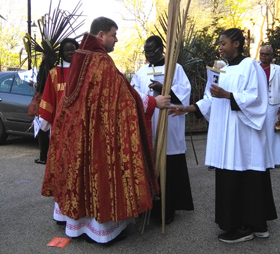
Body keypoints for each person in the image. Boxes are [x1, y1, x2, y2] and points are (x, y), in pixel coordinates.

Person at [41, 17, 170, 244]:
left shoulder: (81, 58)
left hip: (77, 133)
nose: (116, 40)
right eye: (113, 34)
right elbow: (124, 97)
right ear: (101, 35)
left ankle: (75, 224)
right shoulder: (100, 61)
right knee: (98, 173)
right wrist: (152, 103)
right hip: (96, 134)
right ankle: (100, 231)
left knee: (78, 174)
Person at [170, 28, 277, 243]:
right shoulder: (222, 70)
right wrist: (187, 108)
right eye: (219, 43)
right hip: (226, 135)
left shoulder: (251, 66)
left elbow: (257, 98)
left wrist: (228, 95)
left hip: (243, 135)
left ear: (236, 44)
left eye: (223, 43)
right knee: (236, 176)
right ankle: (253, 224)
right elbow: (211, 98)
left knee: (247, 175)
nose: (220, 47)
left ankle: (246, 226)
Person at [131, 35, 194, 225]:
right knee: (150, 167)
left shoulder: (175, 69)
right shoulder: (141, 72)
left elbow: (184, 92)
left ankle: (168, 208)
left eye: (152, 51)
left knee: (170, 167)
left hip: (169, 123)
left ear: (161, 49)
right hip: (149, 124)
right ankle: (149, 207)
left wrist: (164, 89)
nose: (149, 54)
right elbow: (133, 94)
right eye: (146, 51)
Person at [38, 38, 78, 223]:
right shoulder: (55, 74)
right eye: (67, 50)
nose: (70, 53)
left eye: (73, 50)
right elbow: (49, 99)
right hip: (61, 130)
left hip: (80, 129)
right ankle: (61, 213)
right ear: (61, 52)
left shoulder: (84, 72)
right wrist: (44, 124)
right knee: (63, 170)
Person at [259, 44, 280, 166]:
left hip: (272, 103)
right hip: (258, 103)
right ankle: (261, 158)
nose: (263, 56)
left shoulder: (277, 69)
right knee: (259, 130)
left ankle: (273, 160)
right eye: (262, 54)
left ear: (271, 56)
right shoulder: (255, 67)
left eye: (266, 54)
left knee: (271, 132)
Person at [33, 51, 58, 164]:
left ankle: (43, 156)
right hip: (54, 101)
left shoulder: (45, 69)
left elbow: (41, 85)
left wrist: (34, 85)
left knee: (42, 129)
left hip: (44, 100)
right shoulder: (56, 69)